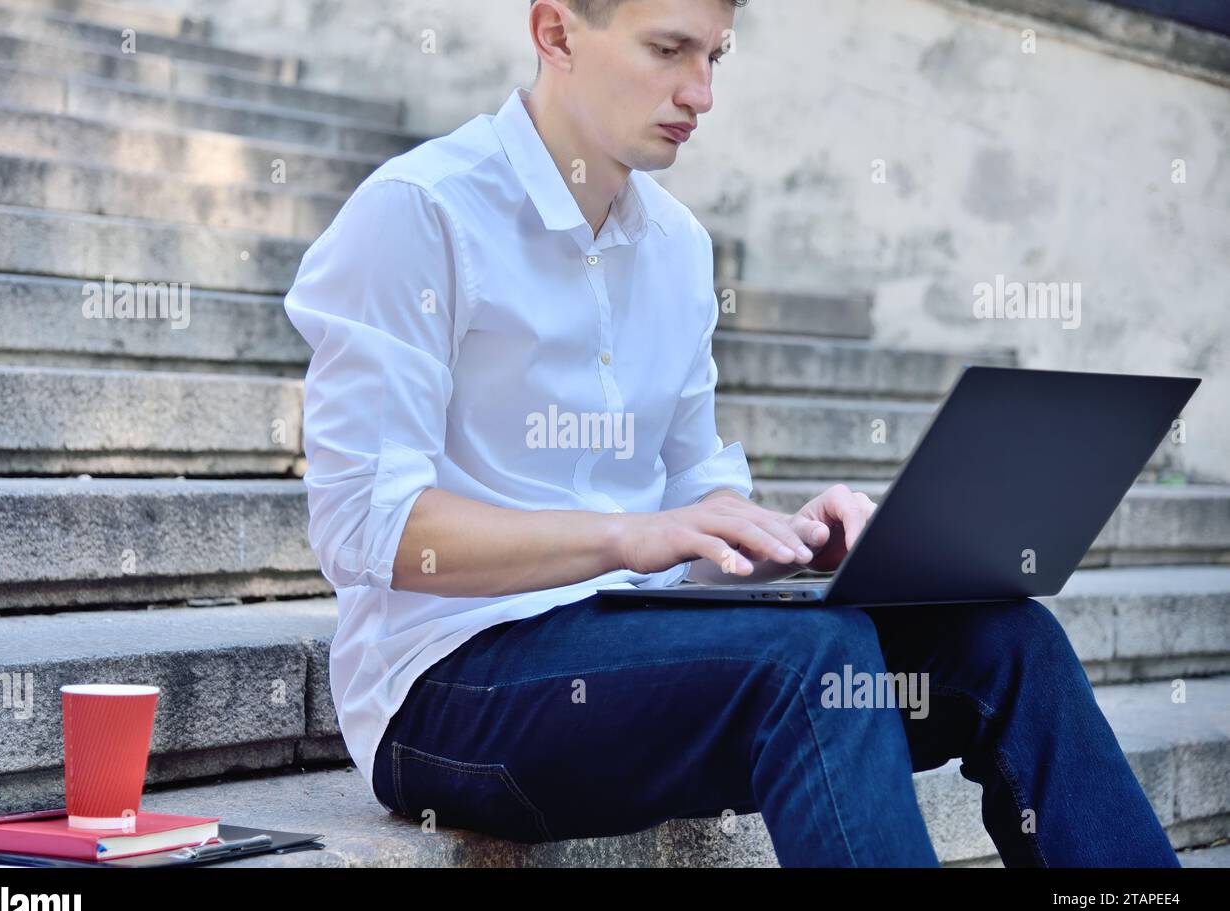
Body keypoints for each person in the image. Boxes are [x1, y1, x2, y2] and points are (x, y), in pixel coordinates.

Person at [283, 0, 1179, 866]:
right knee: (808, 661)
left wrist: (783, 540)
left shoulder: (677, 247)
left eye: (715, 56)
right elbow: (371, 525)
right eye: (669, 50)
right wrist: (625, 536)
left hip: (637, 649)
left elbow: (690, 516)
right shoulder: (418, 211)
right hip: (447, 694)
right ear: (556, 32)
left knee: (1004, 639)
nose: (701, 92)